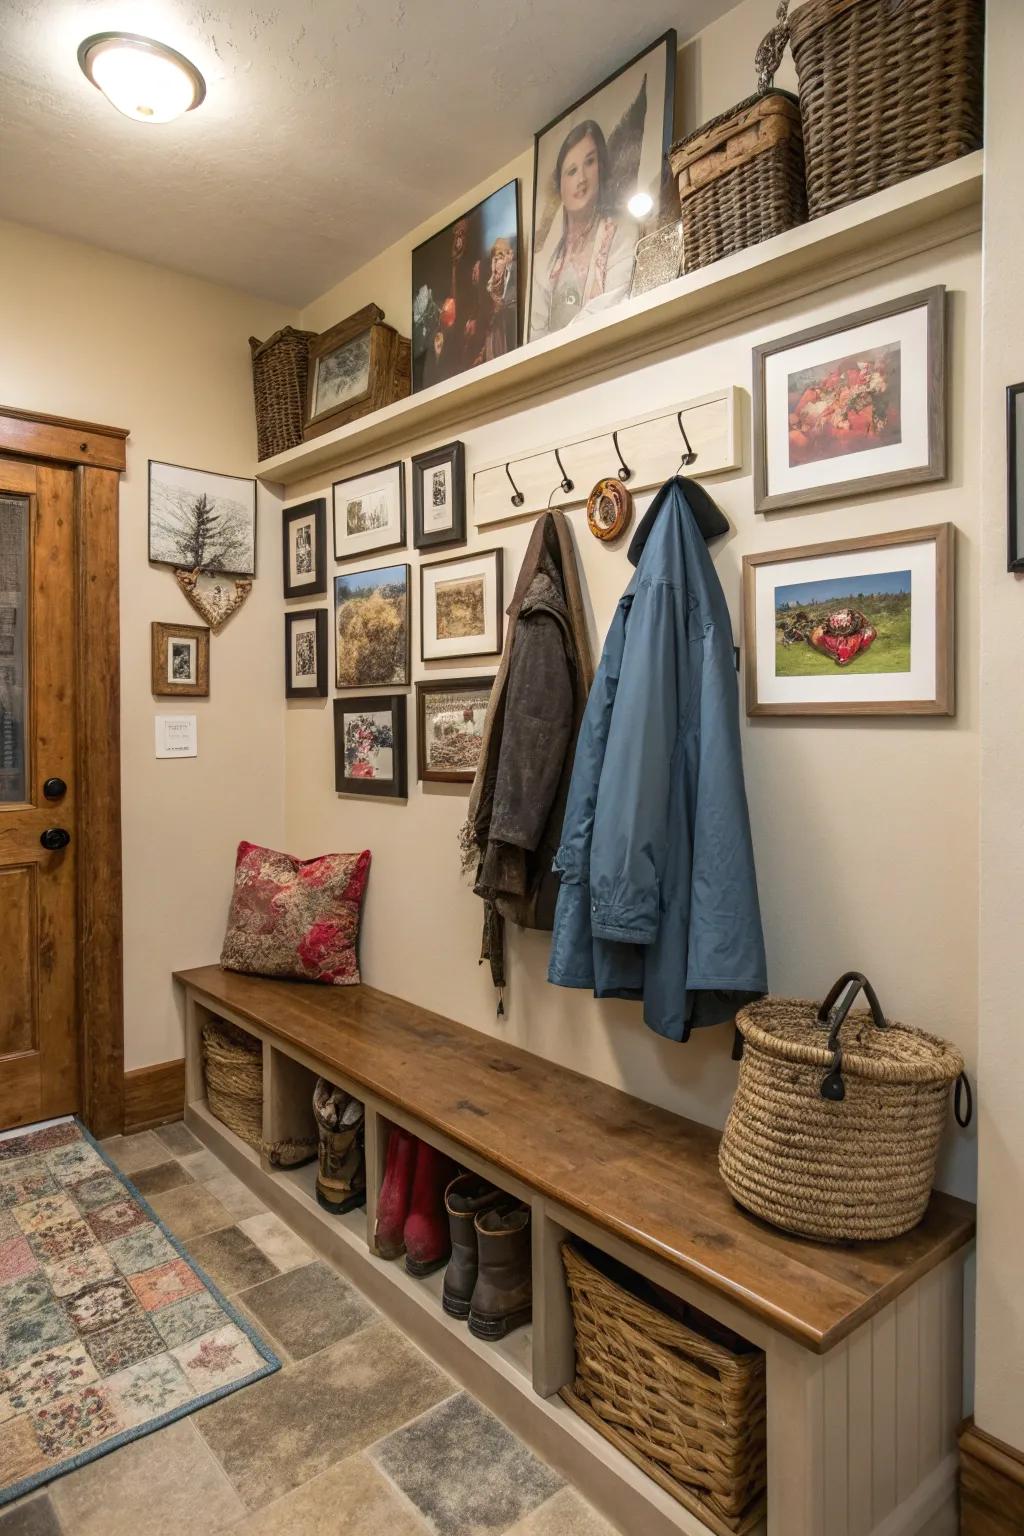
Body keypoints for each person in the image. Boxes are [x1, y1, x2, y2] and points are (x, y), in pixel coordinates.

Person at [529, 119, 635, 340]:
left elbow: (615, 309)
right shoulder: (542, 263)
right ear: (560, 185)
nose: (582, 179)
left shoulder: (622, 235)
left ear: (601, 167)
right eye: (571, 171)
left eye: (589, 162)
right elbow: (534, 337)